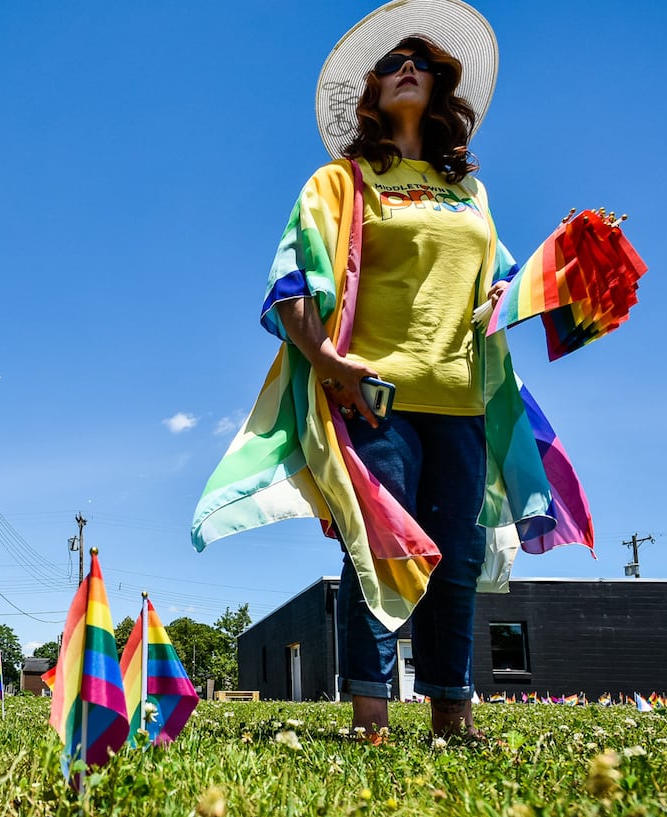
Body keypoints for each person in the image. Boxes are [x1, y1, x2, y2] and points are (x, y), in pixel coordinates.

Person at [268, 2, 510, 739]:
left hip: (464, 398)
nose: (409, 67)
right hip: (376, 397)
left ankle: (453, 713)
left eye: (424, 61)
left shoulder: (470, 192)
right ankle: (370, 716)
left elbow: (495, 280)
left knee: (457, 560)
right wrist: (332, 366)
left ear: (441, 86)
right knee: (378, 548)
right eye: (393, 61)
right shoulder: (340, 182)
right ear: (370, 91)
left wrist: (525, 288)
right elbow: (291, 286)